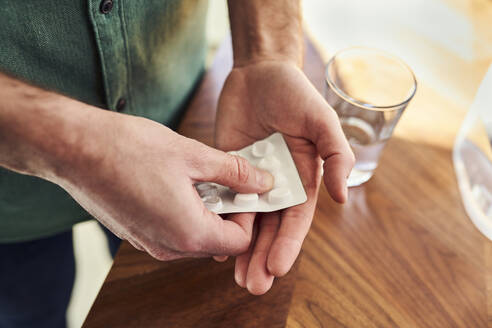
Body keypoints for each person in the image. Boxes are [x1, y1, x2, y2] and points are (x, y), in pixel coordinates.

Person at [0, 0, 354, 327]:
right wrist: (80, 148)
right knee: (29, 315)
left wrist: (268, 53)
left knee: (156, 296)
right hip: (11, 207)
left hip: (178, 139)